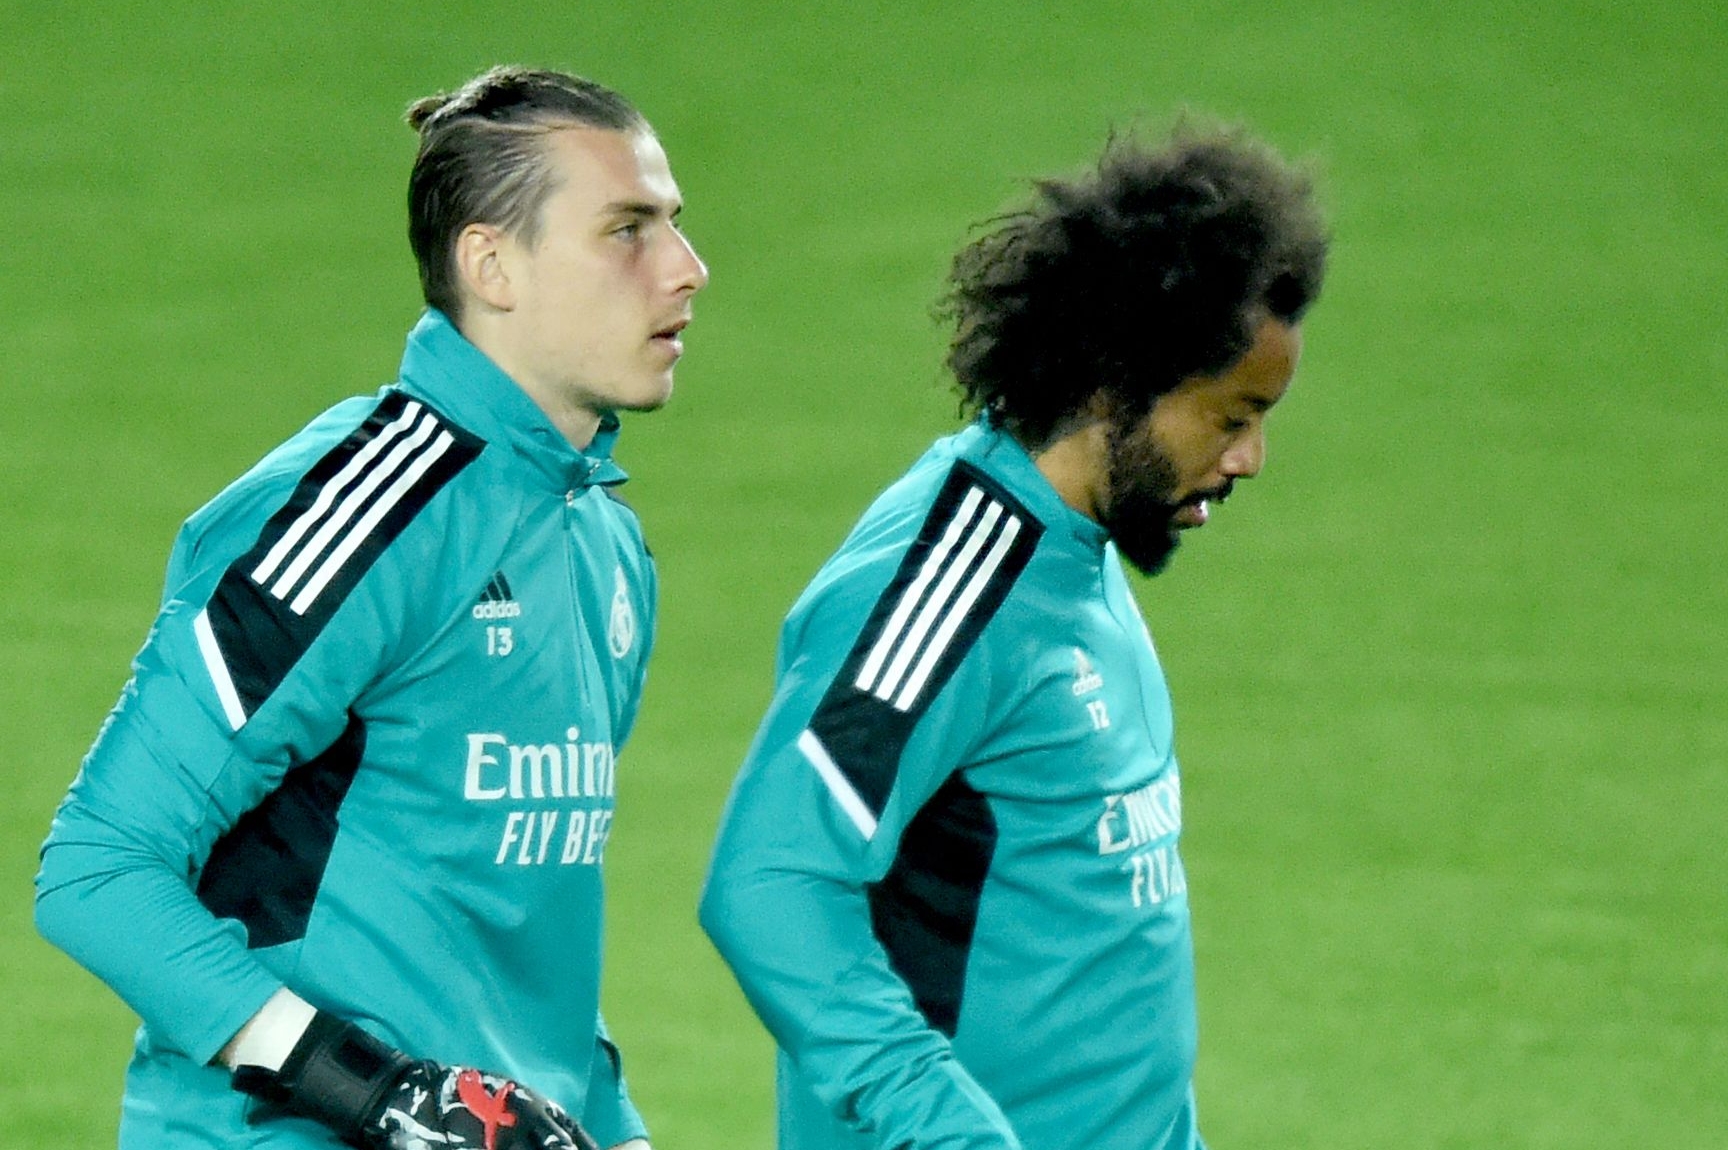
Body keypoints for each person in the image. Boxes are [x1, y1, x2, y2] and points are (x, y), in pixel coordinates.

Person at [34, 64, 706, 1150]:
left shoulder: (604, 546)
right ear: (492, 263)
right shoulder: (361, 517)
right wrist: (376, 1093)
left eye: (673, 224)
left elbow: (520, 935)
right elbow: (99, 869)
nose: (686, 268)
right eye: (627, 229)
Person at [700, 125, 1328, 1149]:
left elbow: (1109, 974)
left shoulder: (1080, 557)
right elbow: (769, 882)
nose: (1250, 457)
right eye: (1230, 416)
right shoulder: (949, 587)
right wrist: (950, 1131)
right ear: (1116, 383)